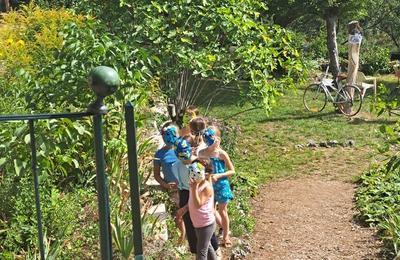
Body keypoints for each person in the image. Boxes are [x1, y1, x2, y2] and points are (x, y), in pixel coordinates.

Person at [200, 126, 235, 247]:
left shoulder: (221, 154)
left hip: (221, 185)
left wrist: (219, 175)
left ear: (218, 139)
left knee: (223, 210)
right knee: (210, 210)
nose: (209, 143)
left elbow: (232, 171)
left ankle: (226, 236)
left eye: (211, 139)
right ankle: (219, 230)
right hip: (208, 186)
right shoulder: (202, 154)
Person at [153, 122, 185, 242]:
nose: (168, 138)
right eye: (165, 135)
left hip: (186, 187)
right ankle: (180, 241)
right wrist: (165, 184)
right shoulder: (159, 154)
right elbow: (156, 175)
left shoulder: (183, 149)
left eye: (172, 134)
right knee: (178, 216)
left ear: (178, 135)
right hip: (172, 191)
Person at [188, 160, 217, 260]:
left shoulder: (206, 187)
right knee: (207, 247)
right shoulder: (195, 184)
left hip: (206, 224)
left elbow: (198, 204)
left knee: (201, 251)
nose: (193, 175)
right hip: (198, 223)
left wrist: (194, 188)